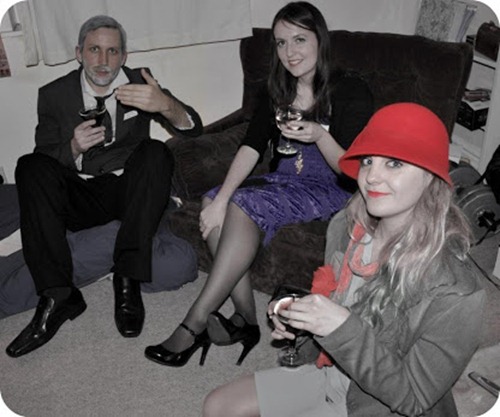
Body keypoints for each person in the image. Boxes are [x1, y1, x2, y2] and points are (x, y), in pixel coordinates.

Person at [202, 102, 486, 417]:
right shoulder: (347, 227)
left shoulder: (458, 291)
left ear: (431, 177)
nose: (372, 177)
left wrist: (341, 327)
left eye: (394, 163)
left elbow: (414, 397)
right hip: (335, 370)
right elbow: (340, 303)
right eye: (368, 160)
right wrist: (302, 319)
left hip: (383, 404)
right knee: (219, 407)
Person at [144, 1, 373, 368]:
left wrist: (319, 135)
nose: (289, 51)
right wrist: (221, 199)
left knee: (242, 205)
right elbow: (251, 146)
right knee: (214, 203)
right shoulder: (276, 90)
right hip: (284, 180)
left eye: (299, 39)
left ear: (320, 39)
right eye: (281, 43)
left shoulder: (350, 90)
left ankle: (195, 321)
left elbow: (352, 169)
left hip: (331, 187)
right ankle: (246, 318)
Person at [6, 15, 202, 358]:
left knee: (156, 151)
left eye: (113, 52)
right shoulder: (53, 95)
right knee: (29, 165)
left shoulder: (141, 83)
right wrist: (72, 148)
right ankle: (58, 294)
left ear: (123, 57)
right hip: (81, 194)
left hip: (130, 194)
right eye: (94, 50)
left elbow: (193, 128)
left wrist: (166, 105)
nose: (103, 60)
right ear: (79, 53)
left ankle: (127, 276)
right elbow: (44, 158)